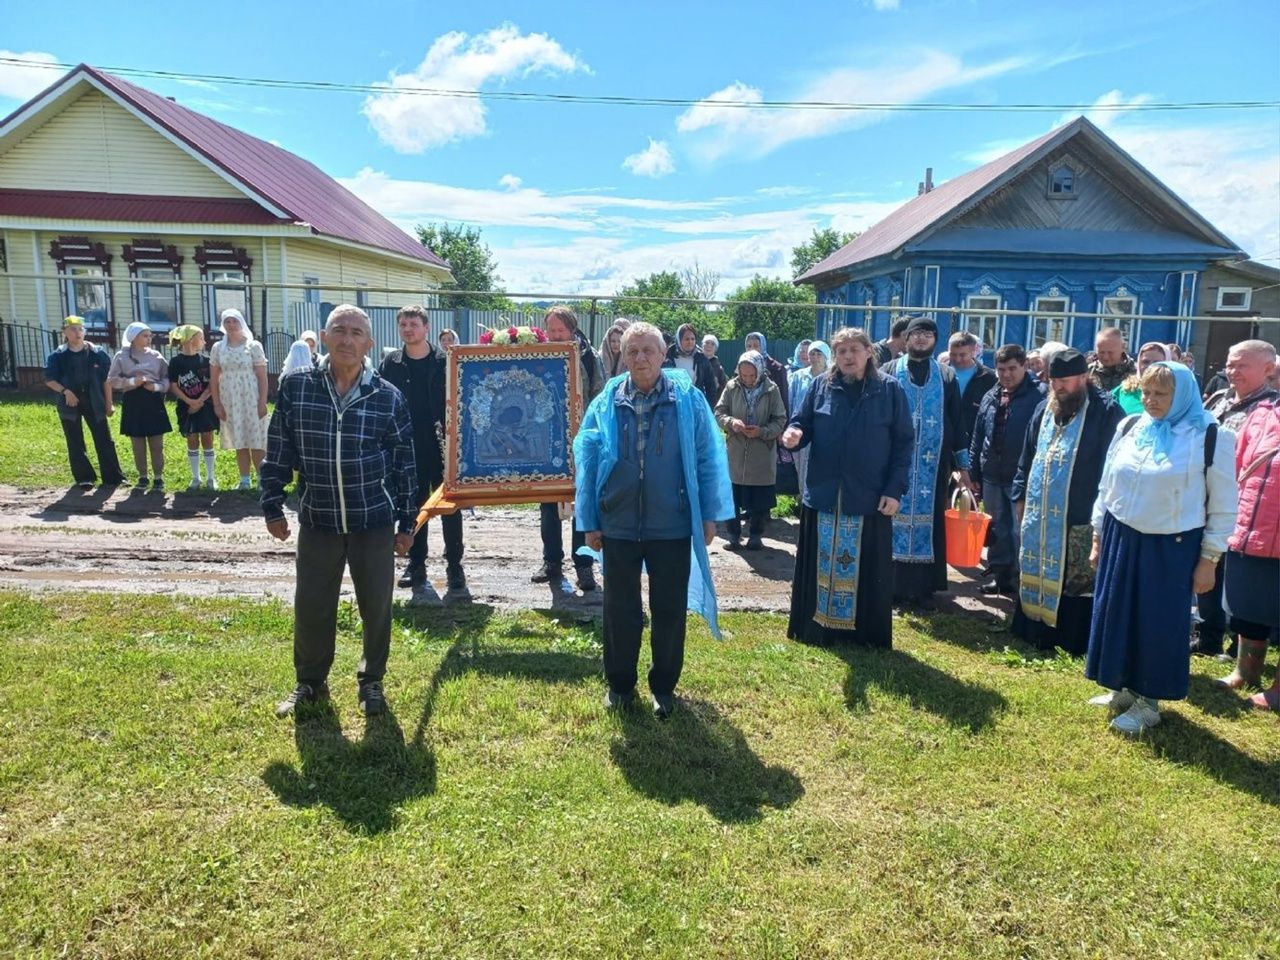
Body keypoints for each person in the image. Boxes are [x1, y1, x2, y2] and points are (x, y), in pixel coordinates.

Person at [263, 305, 416, 720]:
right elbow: (280, 448)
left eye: (356, 333)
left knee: (376, 607)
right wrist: (272, 503)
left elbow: (405, 463)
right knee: (312, 605)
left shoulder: (386, 396)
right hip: (319, 518)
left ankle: (372, 681)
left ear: (369, 344)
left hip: (373, 521)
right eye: (340, 330)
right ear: (325, 336)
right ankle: (310, 681)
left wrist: (407, 522)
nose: (347, 339)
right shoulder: (297, 388)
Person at [574, 321, 733, 718]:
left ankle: (664, 686)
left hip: (672, 523)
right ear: (622, 356)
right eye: (632, 351)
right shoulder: (606, 402)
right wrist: (590, 520)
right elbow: (588, 464)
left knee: (669, 609)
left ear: (664, 355)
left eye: (648, 350)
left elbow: (707, 457)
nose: (640, 357)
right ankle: (620, 685)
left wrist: (709, 514)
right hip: (618, 523)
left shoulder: (688, 401)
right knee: (619, 609)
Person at [1085, 362, 1237, 735]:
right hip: (1123, 534)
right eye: (1146, 392)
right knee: (1117, 611)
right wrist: (1098, 534)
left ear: (1181, 396)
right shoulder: (1131, 427)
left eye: (1161, 394)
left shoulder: (1210, 437)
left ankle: (1149, 702)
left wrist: (1209, 559)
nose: (1150, 401)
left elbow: (1223, 504)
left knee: (1156, 621)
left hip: (1171, 544)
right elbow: (1108, 484)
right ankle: (1122, 685)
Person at [782, 327, 913, 648]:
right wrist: (794, 433)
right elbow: (802, 422)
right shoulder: (821, 386)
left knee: (866, 567)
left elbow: (903, 443)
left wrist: (894, 489)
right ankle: (817, 629)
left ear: (869, 352)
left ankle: (862, 636)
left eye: (855, 350)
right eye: (841, 351)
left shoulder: (889, 389)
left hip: (869, 494)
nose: (848, 356)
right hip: (825, 491)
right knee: (820, 561)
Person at [1011, 348, 1124, 654]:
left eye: (1065, 381)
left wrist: (1102, 512)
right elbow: (1028, 454)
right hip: (1040, 511)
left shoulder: (1106, 411)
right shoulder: (1045, 408)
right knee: (1036, 565)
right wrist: (1020, 494)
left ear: (1084, 377)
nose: (1058, 387)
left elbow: (1114, 467)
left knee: (1076, 577)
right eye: (1053, 381)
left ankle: (1070, 640)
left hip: (1080, 511)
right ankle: (1033, 629)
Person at [1191, 340, 1279, 657]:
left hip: (1242, 506)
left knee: (1235, 578)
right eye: (1230, 364)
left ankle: (1237, 644)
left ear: (1268, 369)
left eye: (1242, 365)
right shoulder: (1218, 399)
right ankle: (1207, 635)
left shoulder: (1271, 409)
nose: (1232, 371)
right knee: (1207, 567)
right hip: (1204, 498)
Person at [379, 305, 468, 606]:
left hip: (443, 446)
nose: (408, 329)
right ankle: (416, 564)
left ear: (426, 328)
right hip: (407, 446)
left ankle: (455, 566)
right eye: (403, 324)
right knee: (414, 507)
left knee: (450, 507)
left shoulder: (446, 360)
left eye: (413, 324)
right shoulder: (391, 363)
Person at [884, 316, 970, 611]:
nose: (921, 338)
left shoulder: (946, 376)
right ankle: (891, 587)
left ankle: (923, 591)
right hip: (894, 466)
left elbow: (957, 421)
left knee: (930, 523)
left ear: (935, 340)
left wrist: (963, 467)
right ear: (906, 338)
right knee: (890, 520)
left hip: (933, 468)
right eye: (916, 333)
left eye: (928, 334)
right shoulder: (888, 371)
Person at [535, 305, 605, 592]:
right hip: (546, 440)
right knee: (548, 502)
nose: (555, 335)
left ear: (572, 330)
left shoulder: (589, 357)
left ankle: (584, 565)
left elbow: (599, 396)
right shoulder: (537, 354)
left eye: (560, 330)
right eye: (551, 330)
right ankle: (551, 561)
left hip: (581, 441)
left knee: (582, 504)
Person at [1216, 398, 1280, 709]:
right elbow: (1236, 466)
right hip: (1250, 531)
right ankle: (1246, 671)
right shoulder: (1262, 413)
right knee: (1248, 607)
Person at [968, 344, 1046, 595]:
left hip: (1021, 476)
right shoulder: (991, 395)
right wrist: (974, 471)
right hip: (992, 474)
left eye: (1012, 368)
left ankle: (1023, 580)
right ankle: (1001, 576)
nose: (1006, 374)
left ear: (1024, 366)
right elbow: (978, 435)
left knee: (1019, 530)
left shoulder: (1039, 396)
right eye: (1001, 369)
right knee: (999, 528)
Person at [715, 350, 788, 550]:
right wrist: (731, 423)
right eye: (743, 375)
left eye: (752, 375)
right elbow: (719, 412)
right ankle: (733, 536)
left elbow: (780, 419)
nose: (747, 380)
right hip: (736, 451)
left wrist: (762, 432)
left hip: (761, 452)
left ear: (760, 371)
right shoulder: (731, 387)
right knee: (732, 496)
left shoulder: (771, 390)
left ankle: (756, 536)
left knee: (759, 498)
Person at [43, 315, 125, 489]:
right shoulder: (58, 355)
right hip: (69, 403)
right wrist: (66, 392)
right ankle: (84, 478)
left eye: (80, 329)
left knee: (104, 439)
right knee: (75, 440)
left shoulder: (97, 353)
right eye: (73, 329)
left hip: (94, 401)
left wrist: (109, 403)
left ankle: (113, 478)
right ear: (64, 332)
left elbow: (107, 380)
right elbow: (50, 379)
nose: (77, 332)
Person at [210, 307, 269, 490]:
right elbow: (214, 378)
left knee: (256, 439)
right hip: (230, 398)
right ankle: (244, 479)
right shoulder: (218, 348)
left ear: (241, 322)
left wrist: (262, 402)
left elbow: (262, 377)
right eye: (227, 321)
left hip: (251, 396)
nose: (231, 325)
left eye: (234, 321)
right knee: (239, 439)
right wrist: (217, 404)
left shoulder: (253, 346)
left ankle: (261, 479)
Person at [107, 321, 171, 490]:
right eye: (145, 336)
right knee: (138, 444)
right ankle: (143, 477)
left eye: (150, 336)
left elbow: (167, 378)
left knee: (157, 444)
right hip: (133, 401)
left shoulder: (156, 356)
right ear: (133, 337)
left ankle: (158, 477)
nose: (149, 339)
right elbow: (112, 380)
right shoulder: (121, 356)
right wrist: (131, 382)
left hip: (153, 400)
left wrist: (156, 387)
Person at [167, 325, 219, 490]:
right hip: (186, 407)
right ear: (190, 340)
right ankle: (196, 478)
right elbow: (173, 385)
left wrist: (200, 401)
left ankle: (211, 478)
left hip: (206, 405)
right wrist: (189, 402)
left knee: (207, 437)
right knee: (191, 438)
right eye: (201, 338)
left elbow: (211, 385)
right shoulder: (175, 362)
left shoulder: (206, 360)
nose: (204, 341)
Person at [787, 340, 831, 499]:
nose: (815, 357)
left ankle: (820, 500)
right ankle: (803, 500)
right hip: (802, 431)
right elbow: (790, 401)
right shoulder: (798, 377)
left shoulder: (832, 377)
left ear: (826, 356)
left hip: (825, 432)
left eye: (819, 354)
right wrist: (790, 427)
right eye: (812, 353)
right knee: (802, 466)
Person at [948, 331, 998, 442]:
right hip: (945, 440)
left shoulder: (989, 378)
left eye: (962, 355)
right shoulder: (940, 374)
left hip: (972, 441)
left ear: (973, 352)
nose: (957, 359)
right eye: (953, 354)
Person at [663, 322, 719, 406]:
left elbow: (711, 387)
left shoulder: (701, 359)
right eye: (687, 339)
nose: (690, 342)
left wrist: (709, 407)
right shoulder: (667, 357)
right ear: (679, 340)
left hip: (696, 406)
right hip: (673, 406)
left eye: (693, 339)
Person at [1112, 342, 1172, 415]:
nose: (1150, 366)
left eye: (1157, 362)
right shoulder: (1123, 390)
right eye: (1145, 362)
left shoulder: (1175, 392)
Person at [743, 331, 789, 410]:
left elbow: (783, 399)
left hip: (770, 414)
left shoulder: (777, 369)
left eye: (756, 346)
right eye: (749, 346)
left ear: (763, 346)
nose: (752, 349)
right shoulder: (741, 368)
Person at [1088, 327, 1136, 393]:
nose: (1106, 357)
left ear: (1123, 347)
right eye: (1101, 352)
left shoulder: (1135, 372)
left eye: (1110, 352)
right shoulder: (1088, 372)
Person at [701, 334, 727, 398]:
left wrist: (718, 386)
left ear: (715, 349)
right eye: (707, 342)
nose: (709, 345)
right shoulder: (695, 361)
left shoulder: (719, 368)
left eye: (713, 344)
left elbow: (725, 390)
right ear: (702, 345)